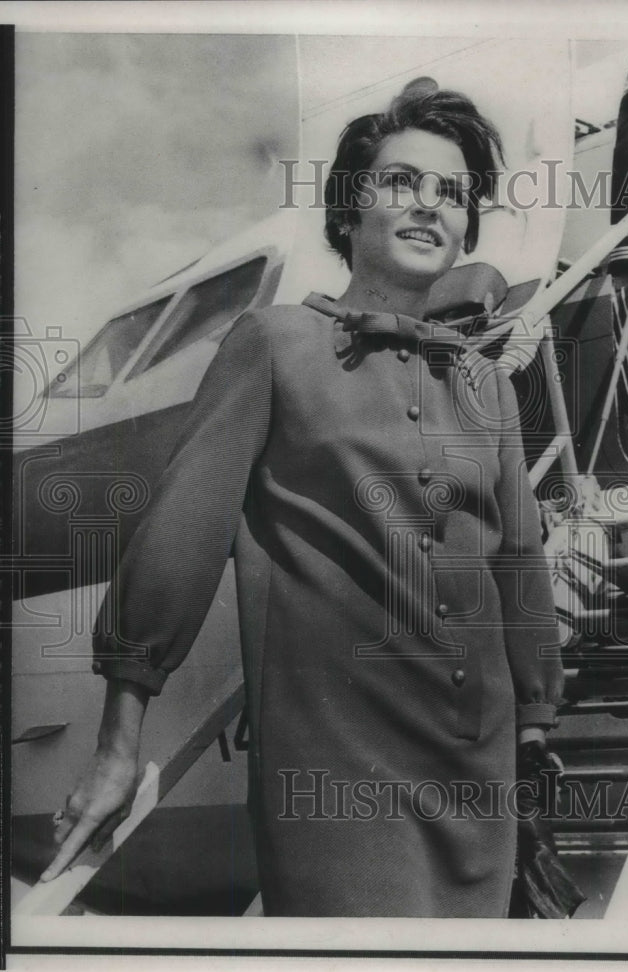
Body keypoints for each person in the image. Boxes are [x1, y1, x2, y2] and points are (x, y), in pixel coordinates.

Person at [43, 82, 564, 917]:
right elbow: (180, 536)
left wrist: (535, 735)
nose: (430, 206)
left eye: (454, 192)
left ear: (468, 224)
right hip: (338, 780)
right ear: (349, 212)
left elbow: (521, 570)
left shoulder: (487, 390)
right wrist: (116, 746)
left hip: (482, 781)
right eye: (402, 182)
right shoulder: (274, 346)